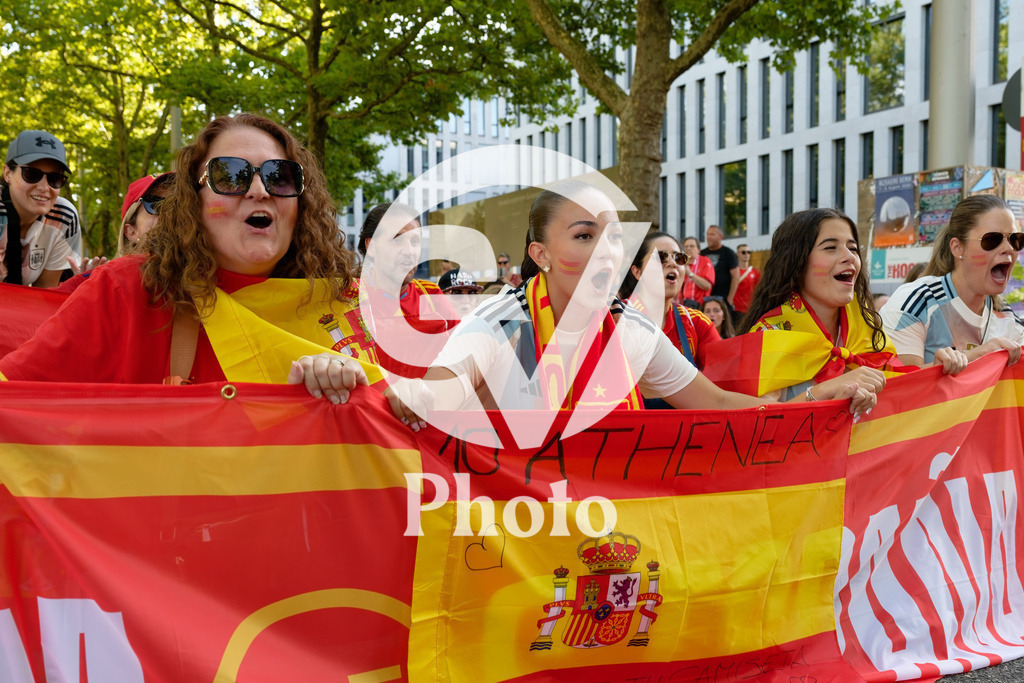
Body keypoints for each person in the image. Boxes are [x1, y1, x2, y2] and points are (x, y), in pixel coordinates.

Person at [381, 183, 876, 426]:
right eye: (583, 235)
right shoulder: (501, 322)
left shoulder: (630, 330)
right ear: (541, 255)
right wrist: (406, 396)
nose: (606, 250)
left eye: (614, 236)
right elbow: (437, 391)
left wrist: (823, 396)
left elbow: (720, 406)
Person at [1, 113, 369, 406]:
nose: (259, 191)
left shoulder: (346, 305)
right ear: (194, 203)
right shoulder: (123, 292)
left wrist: (369, 399)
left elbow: (415, 409)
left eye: (281, 177)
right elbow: (14, 396)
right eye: (231, 176)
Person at [705, 208, 906, 402]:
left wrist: (935, 369)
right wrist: (823, 391)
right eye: (830, 248)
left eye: (853, 248)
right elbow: (759, 421)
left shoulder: (867, 325)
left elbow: (902, 387)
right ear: (796, 263)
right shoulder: (769, 337)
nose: (850, 257)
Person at [880, 195, 1023, 374]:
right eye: (992, 239)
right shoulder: (916, 301)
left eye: (1015, 239)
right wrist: (976, 356)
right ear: (957, 248)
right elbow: (898, 383)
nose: (1009, 248)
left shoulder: (1010, 321)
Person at [356, 202, 458, 377]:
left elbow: (464, 354)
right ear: (371, 246)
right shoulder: (348, 300)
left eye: (415, 241)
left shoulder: (431, 295)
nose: (409, 251)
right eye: (397, 239)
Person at [618, 231, 720, 371]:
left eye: (679, 258)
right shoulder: (614, 319)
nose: (672, 263)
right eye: (661, 257)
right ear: (637, 272)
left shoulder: (697, 323)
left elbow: (723, 378)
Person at [0, 130, 85, 288]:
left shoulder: (64, 218)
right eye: (31, 174)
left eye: (55, 178)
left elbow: (43, 296)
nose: (44, 187)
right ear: (7, 173)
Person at [117, 172, 175, 256]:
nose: (170, 214)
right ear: (131, 231)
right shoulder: (110, 269)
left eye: (177, 205)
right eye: (156, 206)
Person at [701, 225, 739, 309]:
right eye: (707, 234)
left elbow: (735, 277)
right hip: (705, 299)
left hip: (723, 300)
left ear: (720, 237)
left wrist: (730, 298)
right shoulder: (702, 254)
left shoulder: (729, 253)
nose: (708, 237)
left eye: (712, 234)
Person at [676, 235, 714, 305]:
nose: (688, 249)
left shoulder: (705, 261)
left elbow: (707, 286)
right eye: (686, 246)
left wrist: (690, 274)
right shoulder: (680, 263)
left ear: (698, 249)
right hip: (682, 304)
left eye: (692, 246)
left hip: (700, 304)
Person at [732, 243, 760, 315]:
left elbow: (758, 291)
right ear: (737, 254)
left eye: (748, 252)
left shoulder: (755, 272)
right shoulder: (733, 272)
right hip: (735, 309)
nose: (746, 254)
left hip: (750, 309)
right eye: (743, 252)